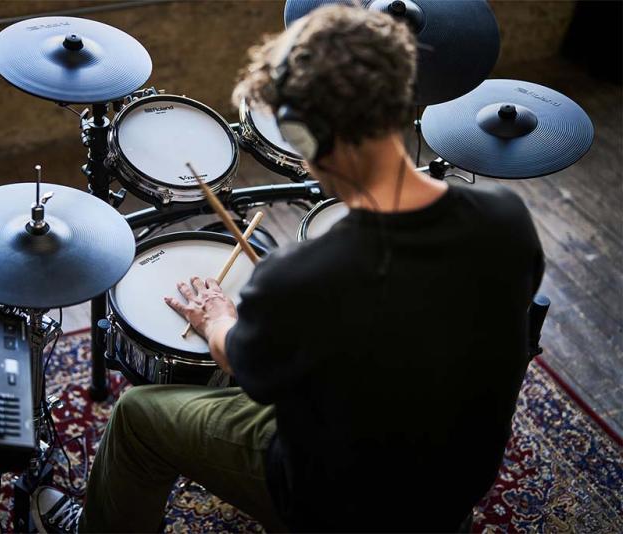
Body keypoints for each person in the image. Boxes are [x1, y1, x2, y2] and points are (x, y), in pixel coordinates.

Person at [31, 5, 544, 532]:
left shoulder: (305, 276)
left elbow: (241, 361)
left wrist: (217, 318)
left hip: (347, 504)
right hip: (456, 482)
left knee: (136, 415)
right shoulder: (505, 219)